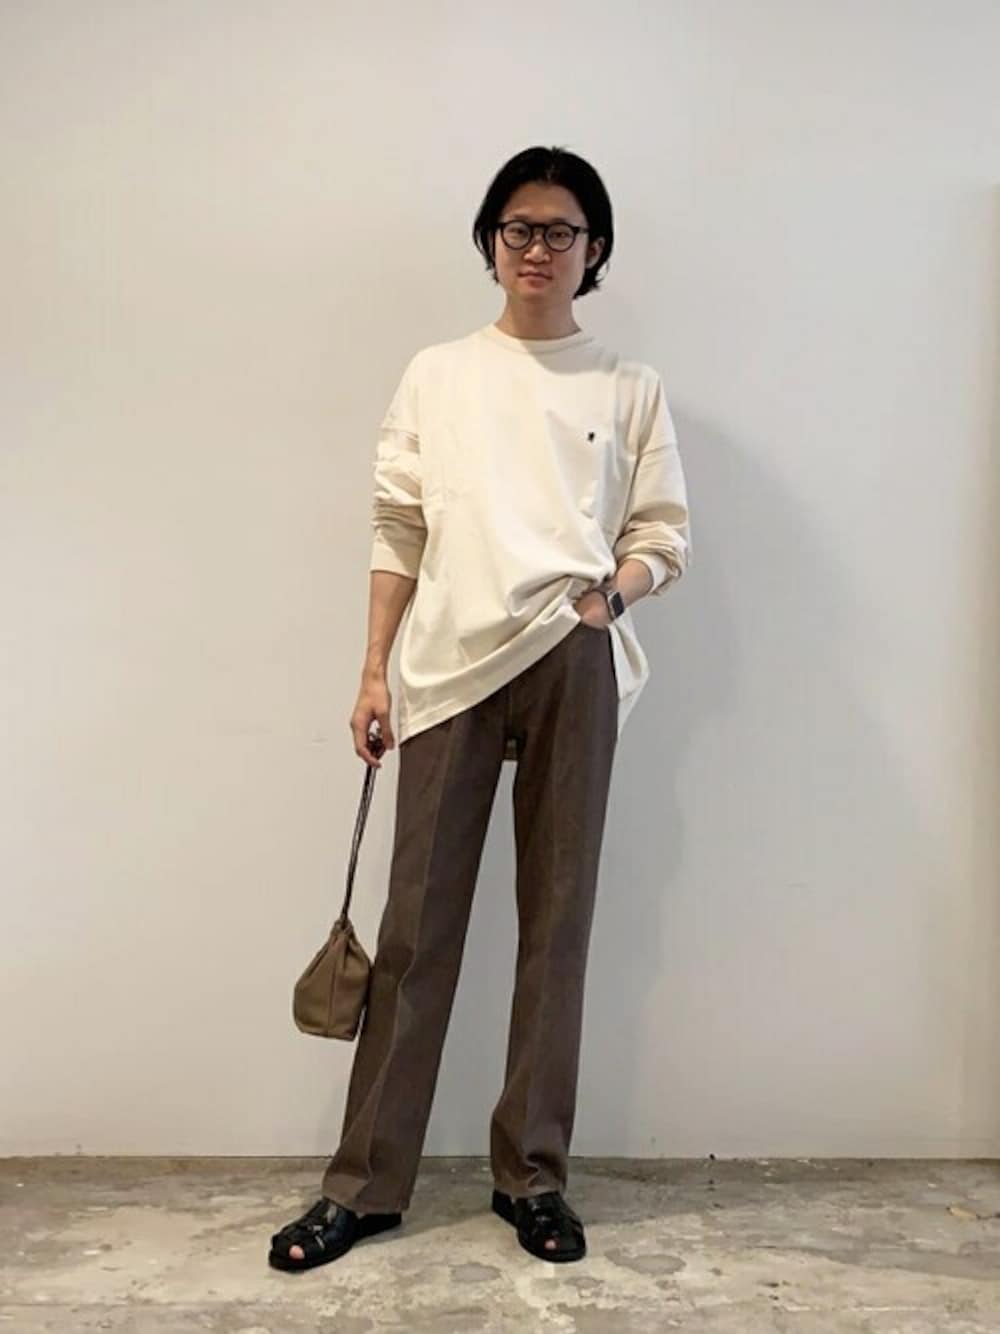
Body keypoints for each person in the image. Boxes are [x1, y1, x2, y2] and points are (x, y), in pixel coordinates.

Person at [268, 144, 691, 1273]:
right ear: (490, 243)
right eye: (519, 228)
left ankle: (532, 1177)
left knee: (558, 925)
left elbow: (663, 532)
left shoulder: (628, 386)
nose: (538, 248)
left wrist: (609, 599)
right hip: (447, 664)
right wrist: (374, 668)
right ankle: (364, 1185)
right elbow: (398, 523)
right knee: (415, 931)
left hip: (572, 657)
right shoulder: (437, 374)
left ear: (595, 249)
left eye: (561, 230)